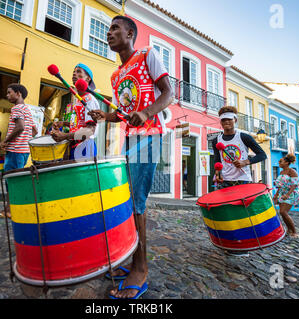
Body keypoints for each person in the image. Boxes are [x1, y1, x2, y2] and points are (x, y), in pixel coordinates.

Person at [89, 15, 173, 299]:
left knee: (136, 200)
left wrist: (147, 113)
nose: (109, 33)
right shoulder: (115, 75)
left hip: (149, 137)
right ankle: (130, 257)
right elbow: (125, 112)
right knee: (125, 199)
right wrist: (106, 115)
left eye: (114, 28)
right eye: (108, 29)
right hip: (128, 139)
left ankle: (141, 267)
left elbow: (168, 93)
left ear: (130, 33)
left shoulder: (148, 55)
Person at [211, 105, 267, 256]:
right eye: (223, 120)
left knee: (243, 214)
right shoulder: (217, 139)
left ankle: (245, 246)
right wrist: (217, 173)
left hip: (242, 180)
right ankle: (231, 243)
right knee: (228, 214)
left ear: (235, 120)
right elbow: (218, 160)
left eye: (229, 119)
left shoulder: (244, 137)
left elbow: (262, 155)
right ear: (220, 122)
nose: (226, 122)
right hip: (225, 181)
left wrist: (245, 162)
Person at [0, 83, 37, 218]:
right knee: (16, 180)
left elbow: (20, 127)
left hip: (15, 150)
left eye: (10, 93)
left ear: (18, 93)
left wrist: (6, 141)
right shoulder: (26, 109)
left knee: (11, 181)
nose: (7, 95)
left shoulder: (17, 108)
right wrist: (24, 141)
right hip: (23, 150)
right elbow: (34, 130)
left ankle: (9, 210)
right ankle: (13, 208)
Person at [51, 63, 100, 160]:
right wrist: (63, 123)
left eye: (78, 72)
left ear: (88, 78)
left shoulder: (89, 100)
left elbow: (89, 131)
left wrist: (65, 136)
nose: (74, 74)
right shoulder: (78, 100)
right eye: (73, 72)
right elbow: (80, 125)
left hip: (85, 147)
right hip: (75, 146)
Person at [273, 154, 299, 237]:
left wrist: (288, 195)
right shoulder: (281, 172)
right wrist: (276, 195)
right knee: (282, 213)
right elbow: (280, 185)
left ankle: (295, 232)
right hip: (282, 193)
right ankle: (289, 230)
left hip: (291, 194)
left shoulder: (292, 171)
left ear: (286, 162)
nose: (279, 162)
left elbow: (294, 184)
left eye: (280, 161)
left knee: (283, 212)